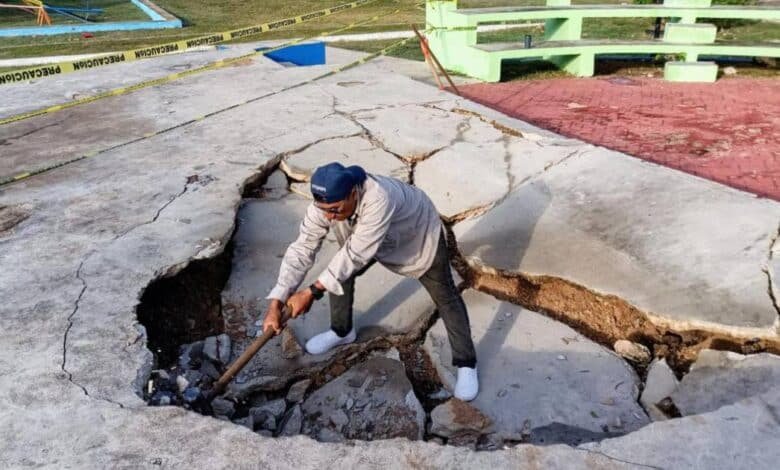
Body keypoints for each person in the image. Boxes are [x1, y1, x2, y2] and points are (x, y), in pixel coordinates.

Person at [261, 162, 479, 401]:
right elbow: (302, 248)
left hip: (415, 235)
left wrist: (309, 293)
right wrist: (277, 301)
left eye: (334, 210)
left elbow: (354, 254)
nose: (329, 216)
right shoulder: (325, 206)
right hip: (366, 238)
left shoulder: (379, 197)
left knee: (445, 296)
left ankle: (467, 363)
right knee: (339, 273)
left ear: (353, 193)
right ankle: (341, 331)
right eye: (324, 210)